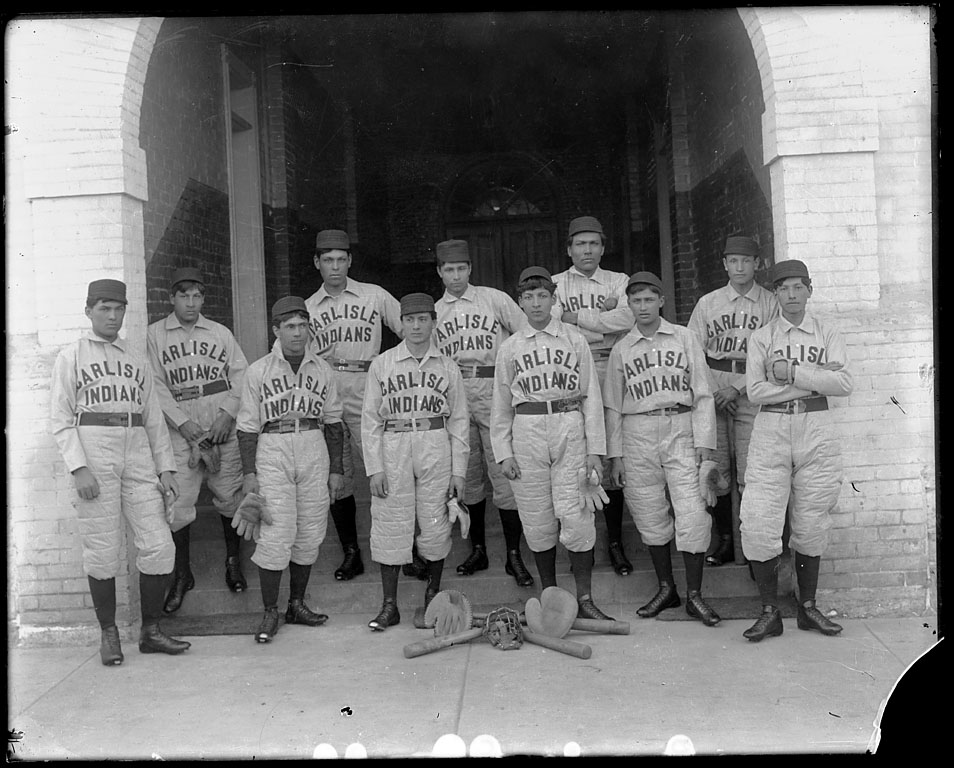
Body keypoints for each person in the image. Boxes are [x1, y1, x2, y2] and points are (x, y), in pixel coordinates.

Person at [50, 279, 190, 665]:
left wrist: (166, 468)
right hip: (94, 447)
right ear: (89, 311)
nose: (112, 316)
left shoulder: (135, 357)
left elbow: (155, 419)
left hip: (137, 446)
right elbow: (61, 419)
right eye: (104, 309)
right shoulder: (72, 356)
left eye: (118, 309)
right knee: (102, 547)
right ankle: (109, 634)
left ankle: (151, 631)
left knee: (159, 543)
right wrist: (79, 467)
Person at [491, 266, 614, 622]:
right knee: (537, 518)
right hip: (527, 427)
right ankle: (549, 596)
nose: (535, 303)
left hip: (569, 424)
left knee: (577, 515)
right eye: (528, 297)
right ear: (519, 302)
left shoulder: (574, 339)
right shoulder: (510, 347)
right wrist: (503, 452)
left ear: (553, 299)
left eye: (542, 296)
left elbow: (591, 396)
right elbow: (500, 405)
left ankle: (586, 598)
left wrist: (595, 450)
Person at [739, 259, 853, 642]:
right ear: (775, 294)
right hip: (771, 427)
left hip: (815, 428)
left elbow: (843, 383)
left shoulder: (826, 331)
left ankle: (807, 607)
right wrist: (812, 382)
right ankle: (770, 611)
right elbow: (755, 391)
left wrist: (792, 374)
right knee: (759, 520)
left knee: (811, 519)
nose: (791, 295)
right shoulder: (762, 337)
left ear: (809, 289)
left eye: (798, 287)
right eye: (783, 288)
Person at [603, 271, 721, 626]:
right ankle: (666, 587)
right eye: (636, 300)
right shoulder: (622, 348)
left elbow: (702, 393)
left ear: (661, 301)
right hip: (636, 431)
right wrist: (616, 455)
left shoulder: (684, 338)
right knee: (649, 511)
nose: (642, 306)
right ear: (629, 304)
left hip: (680, 426)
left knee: (693, 511)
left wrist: (705, 442)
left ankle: (695, 595)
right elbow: (612, 404)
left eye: (649, 299)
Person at [235, 296, 345, 644]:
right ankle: (271, 610)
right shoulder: (259, 371)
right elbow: (247, 427)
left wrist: (337, 470)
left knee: (311, 528)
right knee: (275, 529)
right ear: (276, 330)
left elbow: (334, 423)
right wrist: (250, 473)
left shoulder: (323, 370)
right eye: (290, 327)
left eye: (303, 326)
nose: (298, 333)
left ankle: (296, 604)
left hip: (313, 443)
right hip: (273, 445)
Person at [361, 292, 469, 631]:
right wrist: (374, 468)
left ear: (434, 323)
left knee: (436, 522)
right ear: (401, 324)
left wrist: (459, 472)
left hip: (435, 442)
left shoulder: (447, 366)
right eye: (410, 320)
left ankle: (432, 597)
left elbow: (460, 422)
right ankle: (389, 605)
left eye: (424, 319)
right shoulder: (383, 363)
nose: (417, 326)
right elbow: (369, 421)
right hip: (394, 444)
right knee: (390, 520)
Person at [146, 267, 249, 615]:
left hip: (221, 425)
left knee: (230, 496)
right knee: (178, 504)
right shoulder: (154, 335)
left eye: (196, 296)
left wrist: (227, 415)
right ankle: (182, 574)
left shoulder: (220, 333)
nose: (190, 302)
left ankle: (234, 562)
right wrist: (183, 423)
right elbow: (154, 386)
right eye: (183, 295)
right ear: (171, 298)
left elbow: (241, 376)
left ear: (203, 298)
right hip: (181, 429)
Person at [433, 238, 534, 587]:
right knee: (468, 474)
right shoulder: (435, 311)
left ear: (470, 269)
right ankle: (477, 549)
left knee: (505, 473)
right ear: (440, 272)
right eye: (449, 269)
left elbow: (527, 334)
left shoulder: (493, 298)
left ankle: (513, 554)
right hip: (456, 392)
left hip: (494, 387)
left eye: (462, 268)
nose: (456, 275)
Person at [306, 229, 403, 583]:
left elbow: (411, 329)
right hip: (328, 388)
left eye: (341, 259)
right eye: (327, 260)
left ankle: (399, 548)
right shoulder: (308, 308)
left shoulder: (373, 296)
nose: (335, 267)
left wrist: (392, 369)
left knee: (383, 466)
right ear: (317, 263)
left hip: (368, 384)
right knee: (337, 473)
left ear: (350, 261)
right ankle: (352, 553)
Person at [552, 216, 636, 577]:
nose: (587, 250)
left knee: (611, 446)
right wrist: (600, 317)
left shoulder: (620, 281)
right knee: (576, 449)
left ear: (602, 247)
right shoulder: (554, 285)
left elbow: (627, 319)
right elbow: (555, 324)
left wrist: (579, 318)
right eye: (580, 244)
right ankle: (577, 541)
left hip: (609, 366)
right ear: (569, 249)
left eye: (593, 244)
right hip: (570, 372)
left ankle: (614, 541)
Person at [687, 236, 778, 567]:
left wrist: (737, 388)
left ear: (757, 263)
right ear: (725, 264)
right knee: (718, 467)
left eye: (746, 260)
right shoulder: (709, 303)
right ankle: (726, 541)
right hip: (714, 385)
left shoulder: (770, 303)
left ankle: (754, 547)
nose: (740, 267)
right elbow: (693, 351)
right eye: (733, 261)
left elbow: (773, 351)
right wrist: (714, 390)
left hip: (752, 386)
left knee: (751, 469)